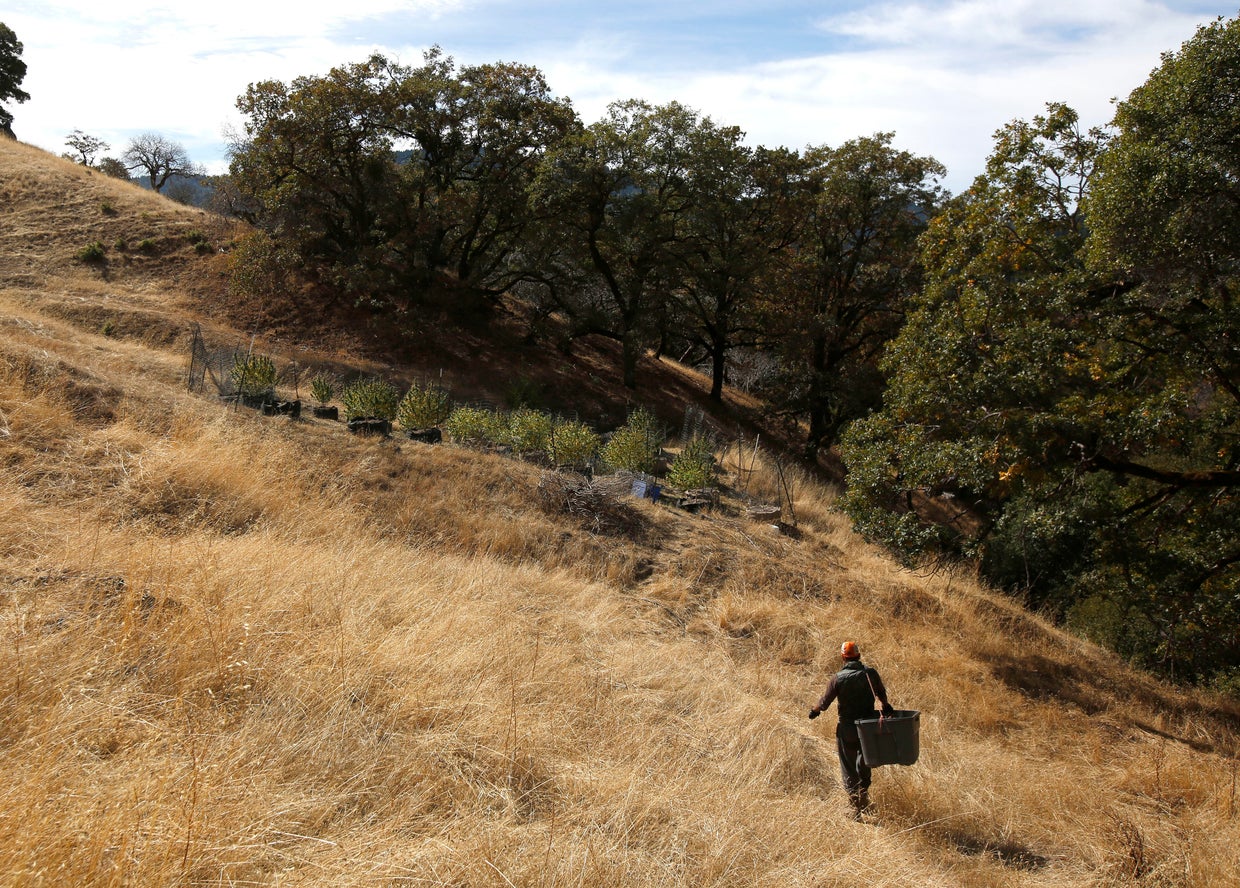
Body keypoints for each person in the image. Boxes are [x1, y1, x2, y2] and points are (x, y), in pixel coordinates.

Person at [808, 640, 895, 818]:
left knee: (848, 764)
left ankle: (854, 805)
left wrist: (814, 711)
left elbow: (824, 701)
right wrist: (885, 706)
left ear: (843, 657)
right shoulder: (870, 674)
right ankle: (864, 797)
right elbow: (881, 694)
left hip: (847, 727)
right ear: (859, 656)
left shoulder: (837, 678)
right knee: (864, 760)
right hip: (868, 727)